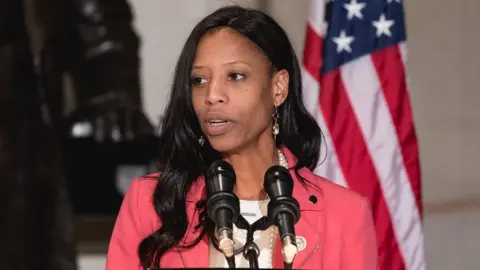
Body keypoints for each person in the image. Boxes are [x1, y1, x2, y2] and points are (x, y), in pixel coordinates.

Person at [106, 5, 378, 270]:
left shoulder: (346, 216)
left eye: (235, 76)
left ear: (278, 88)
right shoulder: (150, 203)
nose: (212, 95)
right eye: (199, 80)